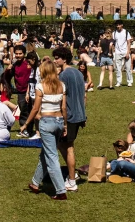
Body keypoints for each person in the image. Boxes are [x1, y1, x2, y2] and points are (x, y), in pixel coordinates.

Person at [20, 59, 69, 200]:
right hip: (59, 121)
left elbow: (36, 108)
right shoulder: (62, 86)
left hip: (46, 123)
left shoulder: (40, 86)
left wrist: (25, 124)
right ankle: (35, 183)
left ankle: (60, 190)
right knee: (45, 153)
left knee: (52, 156)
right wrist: (65, 125)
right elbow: (64, 108)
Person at [54, 47, 86, 194]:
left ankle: (72, 180)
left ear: (64, 59)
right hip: (80, 114)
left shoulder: (63, 76)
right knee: (62, 145)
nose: (55, 61)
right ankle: (73, 174)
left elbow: (60, 98)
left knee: (68, 147)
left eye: (57, 58)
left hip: (70, 116)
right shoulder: (79, 73)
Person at [111, 21, 134, 88]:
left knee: (128, 68)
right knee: (118, 68)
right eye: (117, 25)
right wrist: (113, 51)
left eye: (119, 25)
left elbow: (129, 43)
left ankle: (129, 81)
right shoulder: (114, 33)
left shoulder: (126, 32)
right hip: (118, 52)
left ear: (122, 25)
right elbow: (113, 43)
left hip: (125, 52)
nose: (117, 26)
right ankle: (119, 82)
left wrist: (128, 52)